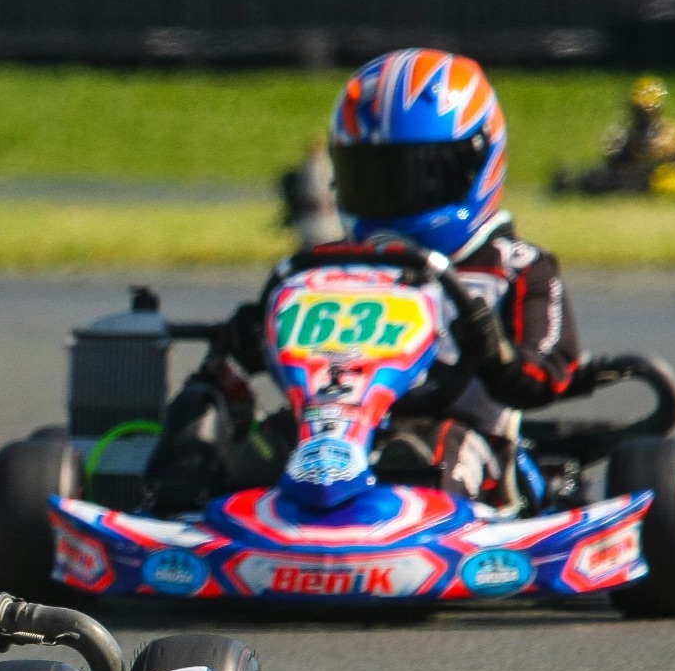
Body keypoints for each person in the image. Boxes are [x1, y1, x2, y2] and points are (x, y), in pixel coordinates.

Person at [214, 49, 582, 510]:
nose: (394, 196)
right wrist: (251, 337)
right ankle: (232, 516)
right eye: (373, 176)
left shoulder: (517, 269)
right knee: (257, 455)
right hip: (325, 435)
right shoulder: (321, 268)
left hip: (465, 437)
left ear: (472, 166)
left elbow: (548, 374)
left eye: (417, 175)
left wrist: (496, 354)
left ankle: (414, 518)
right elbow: (270, 348)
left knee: (432, 457)